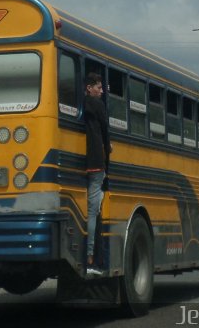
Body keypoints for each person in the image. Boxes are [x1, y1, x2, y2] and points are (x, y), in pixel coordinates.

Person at [83, 72, 110, 275]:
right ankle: (91, 257)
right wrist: (108, 148)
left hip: (83, 162)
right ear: (89, 88)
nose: (101, 91)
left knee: (91, 210)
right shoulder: (98, 106)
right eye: (99, 88)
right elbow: (105, 132)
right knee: (94, 212)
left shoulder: (82, 105)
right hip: (96, 163)